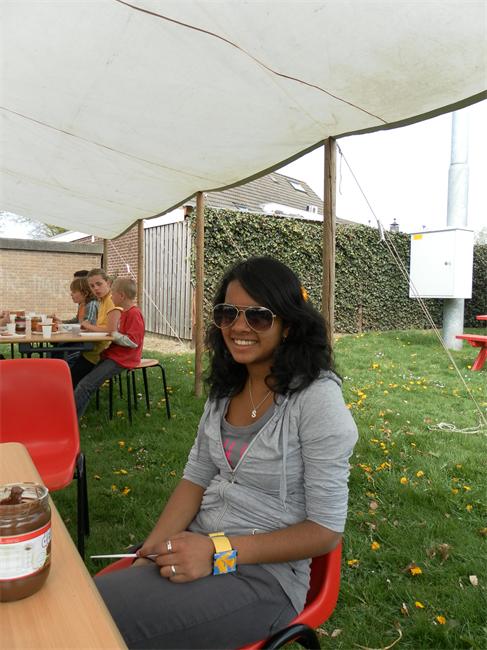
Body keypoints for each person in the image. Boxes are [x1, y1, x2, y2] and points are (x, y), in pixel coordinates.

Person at [95, 256, 358, 650]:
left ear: (288, 325)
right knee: (82, 605)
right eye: (228, 313)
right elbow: (195, 478)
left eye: (259, 317)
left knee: (91, 622)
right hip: (195, 548)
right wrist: (148, 553)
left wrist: (217, 551)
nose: (239, 326)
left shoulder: (316, 400)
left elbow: (325, 531)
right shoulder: (227, 387)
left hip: (264, 579)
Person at [74, 277, 145, 418]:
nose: (111, 297)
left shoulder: (134, 313)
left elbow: (133, 341)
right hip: (113, 355)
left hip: (123, 359)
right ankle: (69, 415)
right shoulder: (125, 312)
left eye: (113, 294)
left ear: (122, 296)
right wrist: (114, 334)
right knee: (83, 378)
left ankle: (69, 422)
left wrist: (114, 335)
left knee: (85, 386)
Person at [70, 268, 122, 387]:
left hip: (101, 352)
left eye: (99, 284)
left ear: (108, 282)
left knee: (71, 377)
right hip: (93, 349)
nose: (96, 288)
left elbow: (111, 330)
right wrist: (89, 328)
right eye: (92, 286)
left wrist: (89, 326)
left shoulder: (111, 301)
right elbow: (102, 326)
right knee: (69, 371)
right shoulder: (102, 300)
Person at [50, 277, 99, 367]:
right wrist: (61, 322)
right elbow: (76, 321)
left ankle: (67, 373)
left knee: (60, 354)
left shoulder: (91, 305)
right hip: (78, 339)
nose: (71, 294)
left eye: (74, 292)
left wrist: (65, 327)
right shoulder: (81, 304)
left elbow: (87, 326)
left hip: (86, 343)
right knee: (55, 350)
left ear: (85, 293)